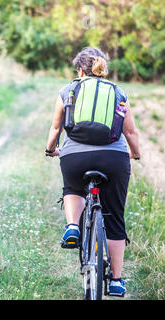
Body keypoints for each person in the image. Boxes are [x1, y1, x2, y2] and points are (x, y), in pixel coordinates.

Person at [45, 47, 141, 297]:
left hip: (75, 157)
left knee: (73, 187)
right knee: (115, 217)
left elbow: (56, 128)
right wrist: (136, 153)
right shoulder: (118, 92)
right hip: (114, 157)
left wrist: (50, 149)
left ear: (79, 69)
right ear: (102, 67)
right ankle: (117, 281)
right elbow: (130, 132)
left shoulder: (68, 89)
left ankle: (73, 226)